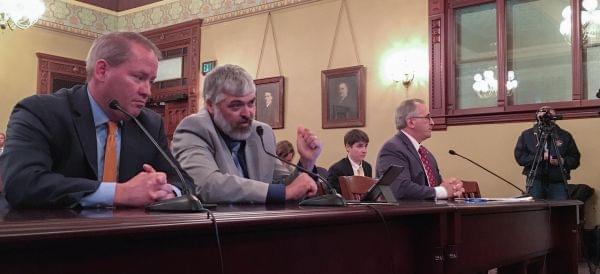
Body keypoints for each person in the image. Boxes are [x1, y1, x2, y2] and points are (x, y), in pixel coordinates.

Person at [0, 32, 192, 208]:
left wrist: (166, 193)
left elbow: (184, 182)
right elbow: (22, 182)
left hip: (130, 236)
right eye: (138, 77)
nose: (147, 91)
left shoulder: (149, 123)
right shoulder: (41, 112)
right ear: (102, 71)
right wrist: (118, 193)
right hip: (52, 238)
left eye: (151, 81)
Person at [171, 64, 319, 203]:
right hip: (216, 227)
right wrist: (284, 192)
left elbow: (284, 185)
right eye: (236, 105)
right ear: (210, 105)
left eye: (251, 103)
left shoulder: (262, 133)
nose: (247, 113)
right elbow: (206, 185)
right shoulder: (194, 128)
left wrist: (306, 163)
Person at [375, 99, 464, 200]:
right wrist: (442, 191)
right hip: (405, 214)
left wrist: (452, 188)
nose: (432, 122)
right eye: (427, 117)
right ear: (411, 122)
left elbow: (436, 187)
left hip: (432, 213)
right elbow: (399, 188)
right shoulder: (392, 149)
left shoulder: (426, 155)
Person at [514, 106, 580, 200]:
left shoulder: (564, 136)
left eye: (550, 113)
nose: (547, 114)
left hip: (558, 181)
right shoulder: (527, 135)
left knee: (559, 210)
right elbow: (520, 158)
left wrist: (562, 161)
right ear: (537, 116)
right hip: (535, 181)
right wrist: (540, 157)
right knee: (534, 211)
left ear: (555, 118)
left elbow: (575, 159)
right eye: (543, 112)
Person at [327, 129, 372, 194]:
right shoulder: (336, 169)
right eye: (360, 146)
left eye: (366, 146)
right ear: (348, 147)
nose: (364, 150)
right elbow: (333, 196)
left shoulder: (367, 167)